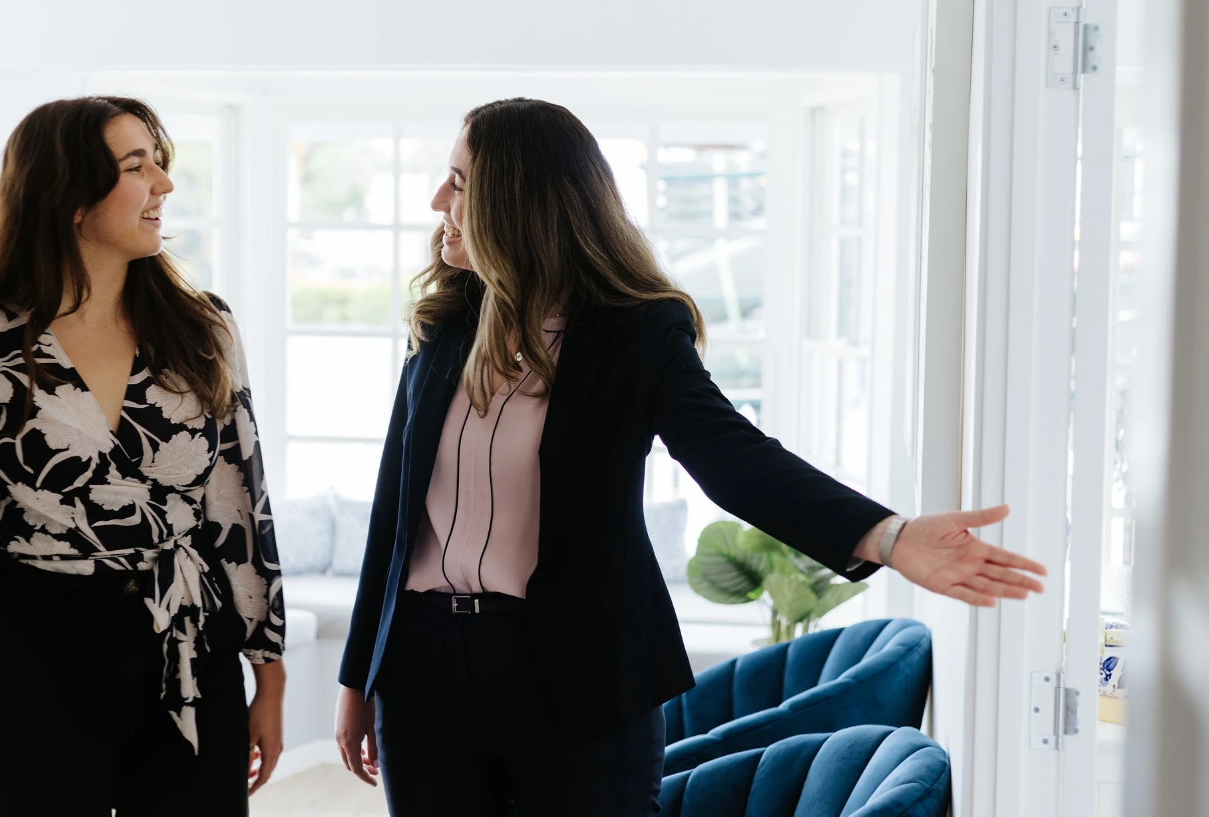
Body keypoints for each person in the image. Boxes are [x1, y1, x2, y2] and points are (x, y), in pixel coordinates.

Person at [333, 98, 1046, 815]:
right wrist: (357, 677)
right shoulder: (444, 324)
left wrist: (888, 536)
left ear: (516, 202)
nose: (437, 201)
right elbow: (394, 514)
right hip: (424, 676)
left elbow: (733, 457)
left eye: (458, 183)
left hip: (578, 675)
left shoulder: (635, 334)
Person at [0, 96, 286, 816]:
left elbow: (240, 505)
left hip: (189, 642)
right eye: (138, 167)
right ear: (69, 196)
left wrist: (270, 672)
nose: (164, 184)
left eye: (158, 163)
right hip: (38, 642)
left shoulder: (203, 325)